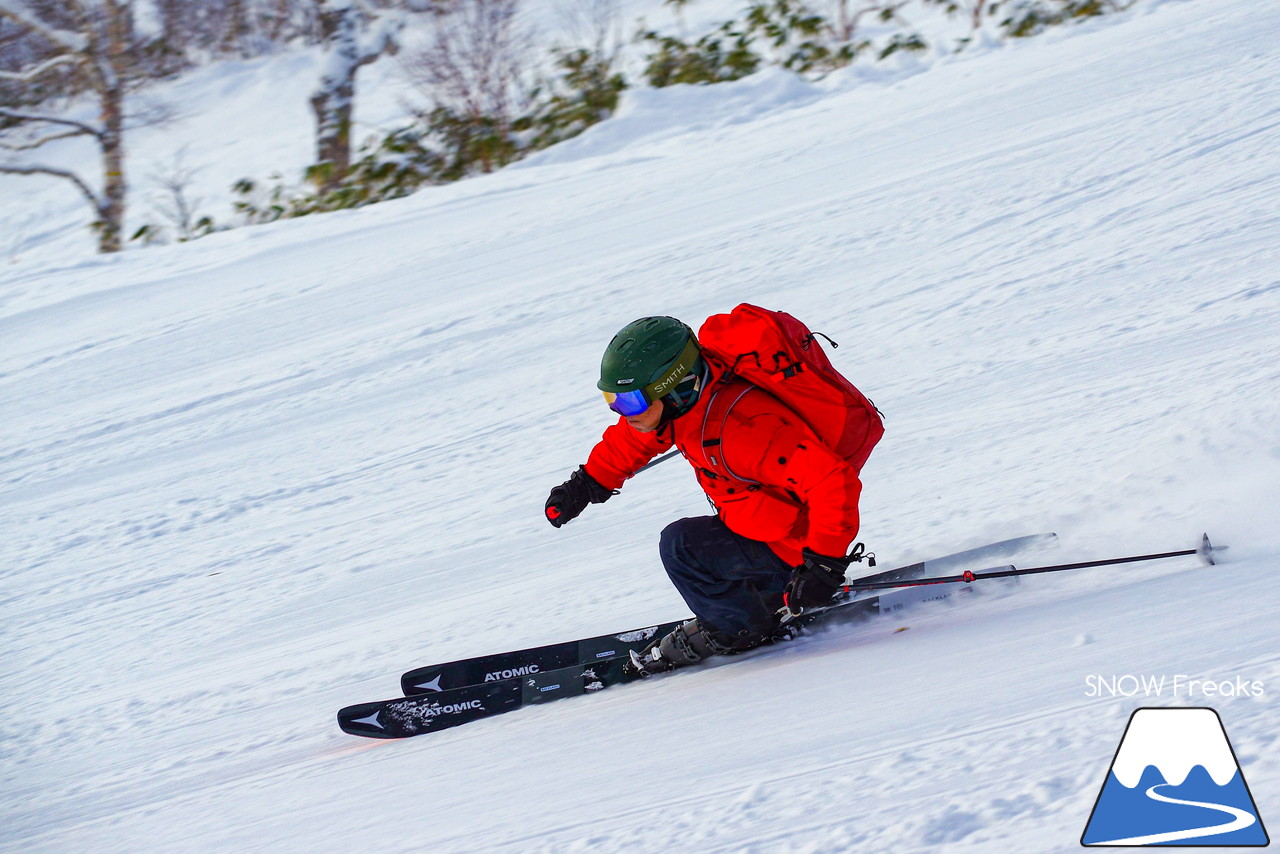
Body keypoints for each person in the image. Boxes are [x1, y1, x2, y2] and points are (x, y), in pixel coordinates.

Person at [545, 314, 874, 676]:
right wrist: (587, 482)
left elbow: (833, 481)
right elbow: (636, 437)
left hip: (792, 546)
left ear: (670, 388)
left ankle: (739, 629)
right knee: (698, 542)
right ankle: (759, 594)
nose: (621, 411)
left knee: (682, 547)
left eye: (630, 401)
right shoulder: (689, 401)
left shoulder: (745, 431)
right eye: (613, 399)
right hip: (759, 524)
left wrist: (822, 565)